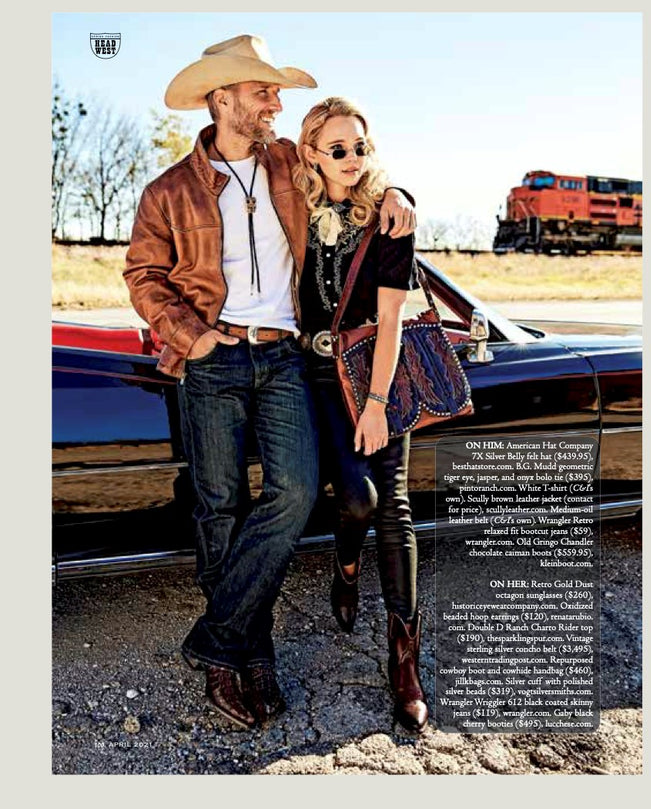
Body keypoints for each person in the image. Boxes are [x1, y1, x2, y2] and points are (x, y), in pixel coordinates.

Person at [124, 36, 415, 730]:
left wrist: (401, 194)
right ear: (223, 98)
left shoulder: (291, 160)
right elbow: (142, 275)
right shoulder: (168, 190)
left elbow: (359, 171)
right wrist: (192, 336)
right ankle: (247, 659)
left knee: (290, 493)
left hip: (284, 358)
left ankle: (215, 639)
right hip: (213, 360)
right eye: (265, 92)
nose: (278, 104)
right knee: (219, 507)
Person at [293, 97, 429, 733]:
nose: (352, 159)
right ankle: (345, 564)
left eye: (361, 148)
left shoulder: (390, 219)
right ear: (312, 154)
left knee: (393, 505)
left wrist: (376, 405)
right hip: (317, 376)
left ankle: (405, 661)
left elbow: (395, 318)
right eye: (338, 149)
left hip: (378, 371)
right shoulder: (293, 207)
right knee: (356, 500)